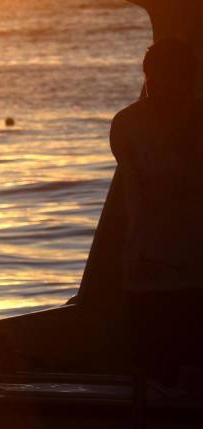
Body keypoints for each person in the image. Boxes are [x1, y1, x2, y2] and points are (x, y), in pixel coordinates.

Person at [110, 38, 203, 383]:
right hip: (149, 276)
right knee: (155, 378)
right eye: (159, 79)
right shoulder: (128, 125)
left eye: (179, 79)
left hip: (189, 276)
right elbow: (159, 183)